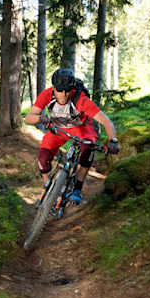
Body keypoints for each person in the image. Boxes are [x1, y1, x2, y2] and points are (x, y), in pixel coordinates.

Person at [24, 67, 119, 204]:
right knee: (43, 158)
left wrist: (113, 140)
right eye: (60, 90)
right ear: (53, 87)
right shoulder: (46, 95)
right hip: (58, 129)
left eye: (67, 90)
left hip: (81, 129)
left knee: (87, 150)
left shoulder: (81, 100)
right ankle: (48, 187)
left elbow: (106, 121)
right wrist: (40, 118)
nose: (63, 94)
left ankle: (77, 189)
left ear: (72, 88)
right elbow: (29, 117)